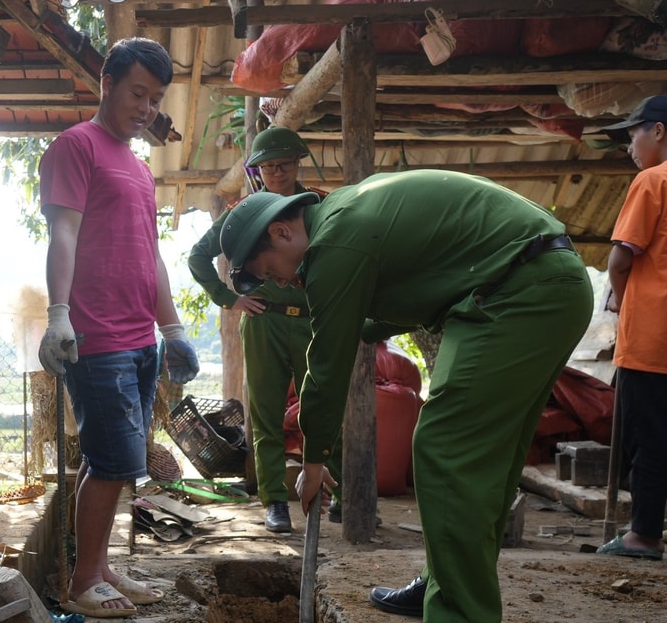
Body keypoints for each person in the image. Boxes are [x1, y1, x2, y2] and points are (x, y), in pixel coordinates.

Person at [219, 169, 593, 621]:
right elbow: (401, 297)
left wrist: (314, 458)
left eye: (269, 270)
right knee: (487, 457)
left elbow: (328, 364)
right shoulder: (346, 214)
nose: (278, 282)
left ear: (281, 231)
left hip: (517, 293)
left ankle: (458, 611)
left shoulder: (334, 244)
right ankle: (446, 581)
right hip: (539, 285)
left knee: (446, 446)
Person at [36, 36, 199, 619]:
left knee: (106, 460)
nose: (147, 108)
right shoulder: (75, 147)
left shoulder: (138, 167)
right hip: (96, 335)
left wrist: (173, 328)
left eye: (155, 100)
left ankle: (100, 568)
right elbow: (64, 234)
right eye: (138, 94)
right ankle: (82, 581)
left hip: (139, 338)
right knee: (113, 464)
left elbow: (151, 255)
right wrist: (59, 316)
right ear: (106, 84)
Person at [187, 126, 341, 533]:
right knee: (268, 414)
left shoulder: (318, 208)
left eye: (284, 164)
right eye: (269, 166)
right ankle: (275, 501)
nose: (277, 172)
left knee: (324, 407)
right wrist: (230, 298)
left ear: (297, 165)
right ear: (257, 169)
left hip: (312, 321)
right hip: (264, 320)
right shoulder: (244, 215)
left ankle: (341, 493)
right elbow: (199, 256)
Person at [595, 95, 667, 561]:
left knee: (652, 445)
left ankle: (644, 536)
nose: (631, 146)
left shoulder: (654, 181)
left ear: (659, 131)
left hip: (654, 339)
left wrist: (619, 295)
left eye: (634, 134)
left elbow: (621, 258)